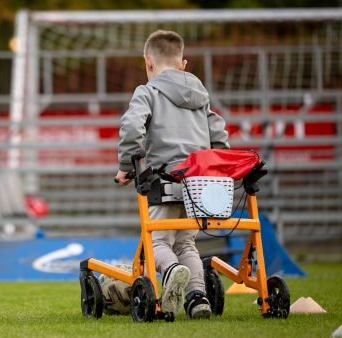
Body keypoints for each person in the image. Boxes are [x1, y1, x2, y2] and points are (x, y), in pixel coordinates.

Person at [115, 30, 230, 319]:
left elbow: (132, 128)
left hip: (162, 182)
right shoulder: (201, 96)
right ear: (183, 64)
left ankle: (171, 270)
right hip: (198, 185)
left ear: (148, 62)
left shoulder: (148, 91)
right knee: (187, 242)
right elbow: (219, 136)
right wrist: (214, 170)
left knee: (159, 242)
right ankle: (196, 298)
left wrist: (126, 166)